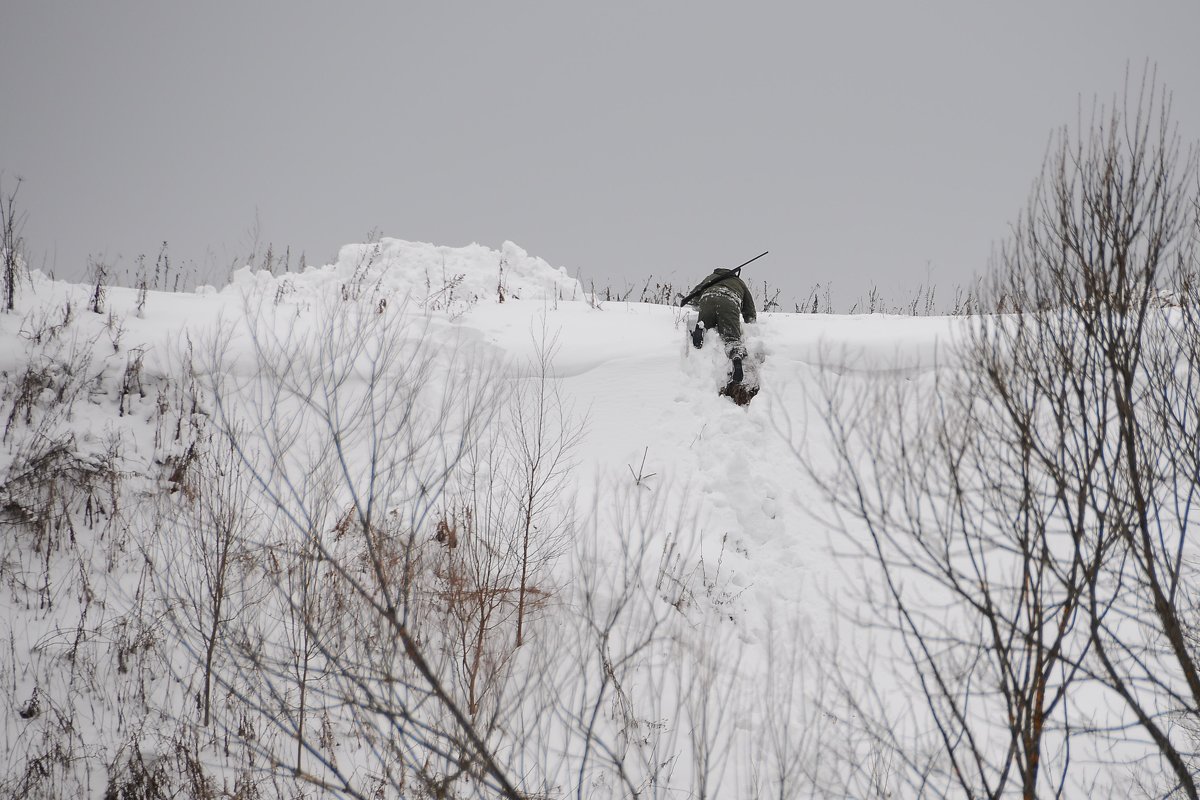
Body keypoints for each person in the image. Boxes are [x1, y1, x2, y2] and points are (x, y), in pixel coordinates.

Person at [685, 267, 757, 383]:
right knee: (732, 339)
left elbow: (694, 296)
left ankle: (702, 328)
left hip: (708, 298)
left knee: (705, 323)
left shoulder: (710, 278)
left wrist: (697, 305)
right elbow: (749, 309)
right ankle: (736, 356)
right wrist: (750, 321)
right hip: (729, 301)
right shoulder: (739, 282)